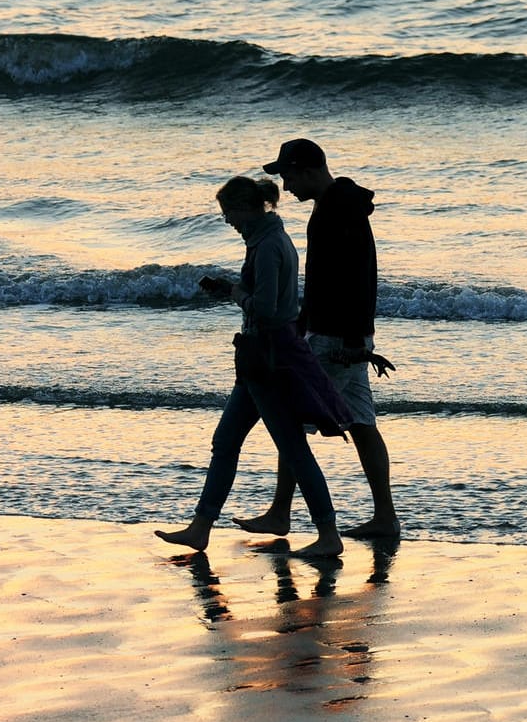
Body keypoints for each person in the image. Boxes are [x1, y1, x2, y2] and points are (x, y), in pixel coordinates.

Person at [156, 175, 350, 558]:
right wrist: (237, 290)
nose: (227, 220)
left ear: (245, 208)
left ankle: (329, 534)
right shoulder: (268, 239)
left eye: (228, 212)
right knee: (225, 442)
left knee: (292, 448)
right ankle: (201, 527)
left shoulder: (268, 246)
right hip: (260, 358)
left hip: (269, 358)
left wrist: (233, 292)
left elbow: (266, 308)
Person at [237, 138, 401, 540]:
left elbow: (353, 280)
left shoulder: (336, 211)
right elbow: (333, 280)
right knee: (362, 423)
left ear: (307, 169)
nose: (286, 185)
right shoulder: (336, 206)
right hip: (344, 334)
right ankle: (386, 517)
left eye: (288, 175)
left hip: (336, 339)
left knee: (290, 421)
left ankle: (282, 513)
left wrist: (349, 340)